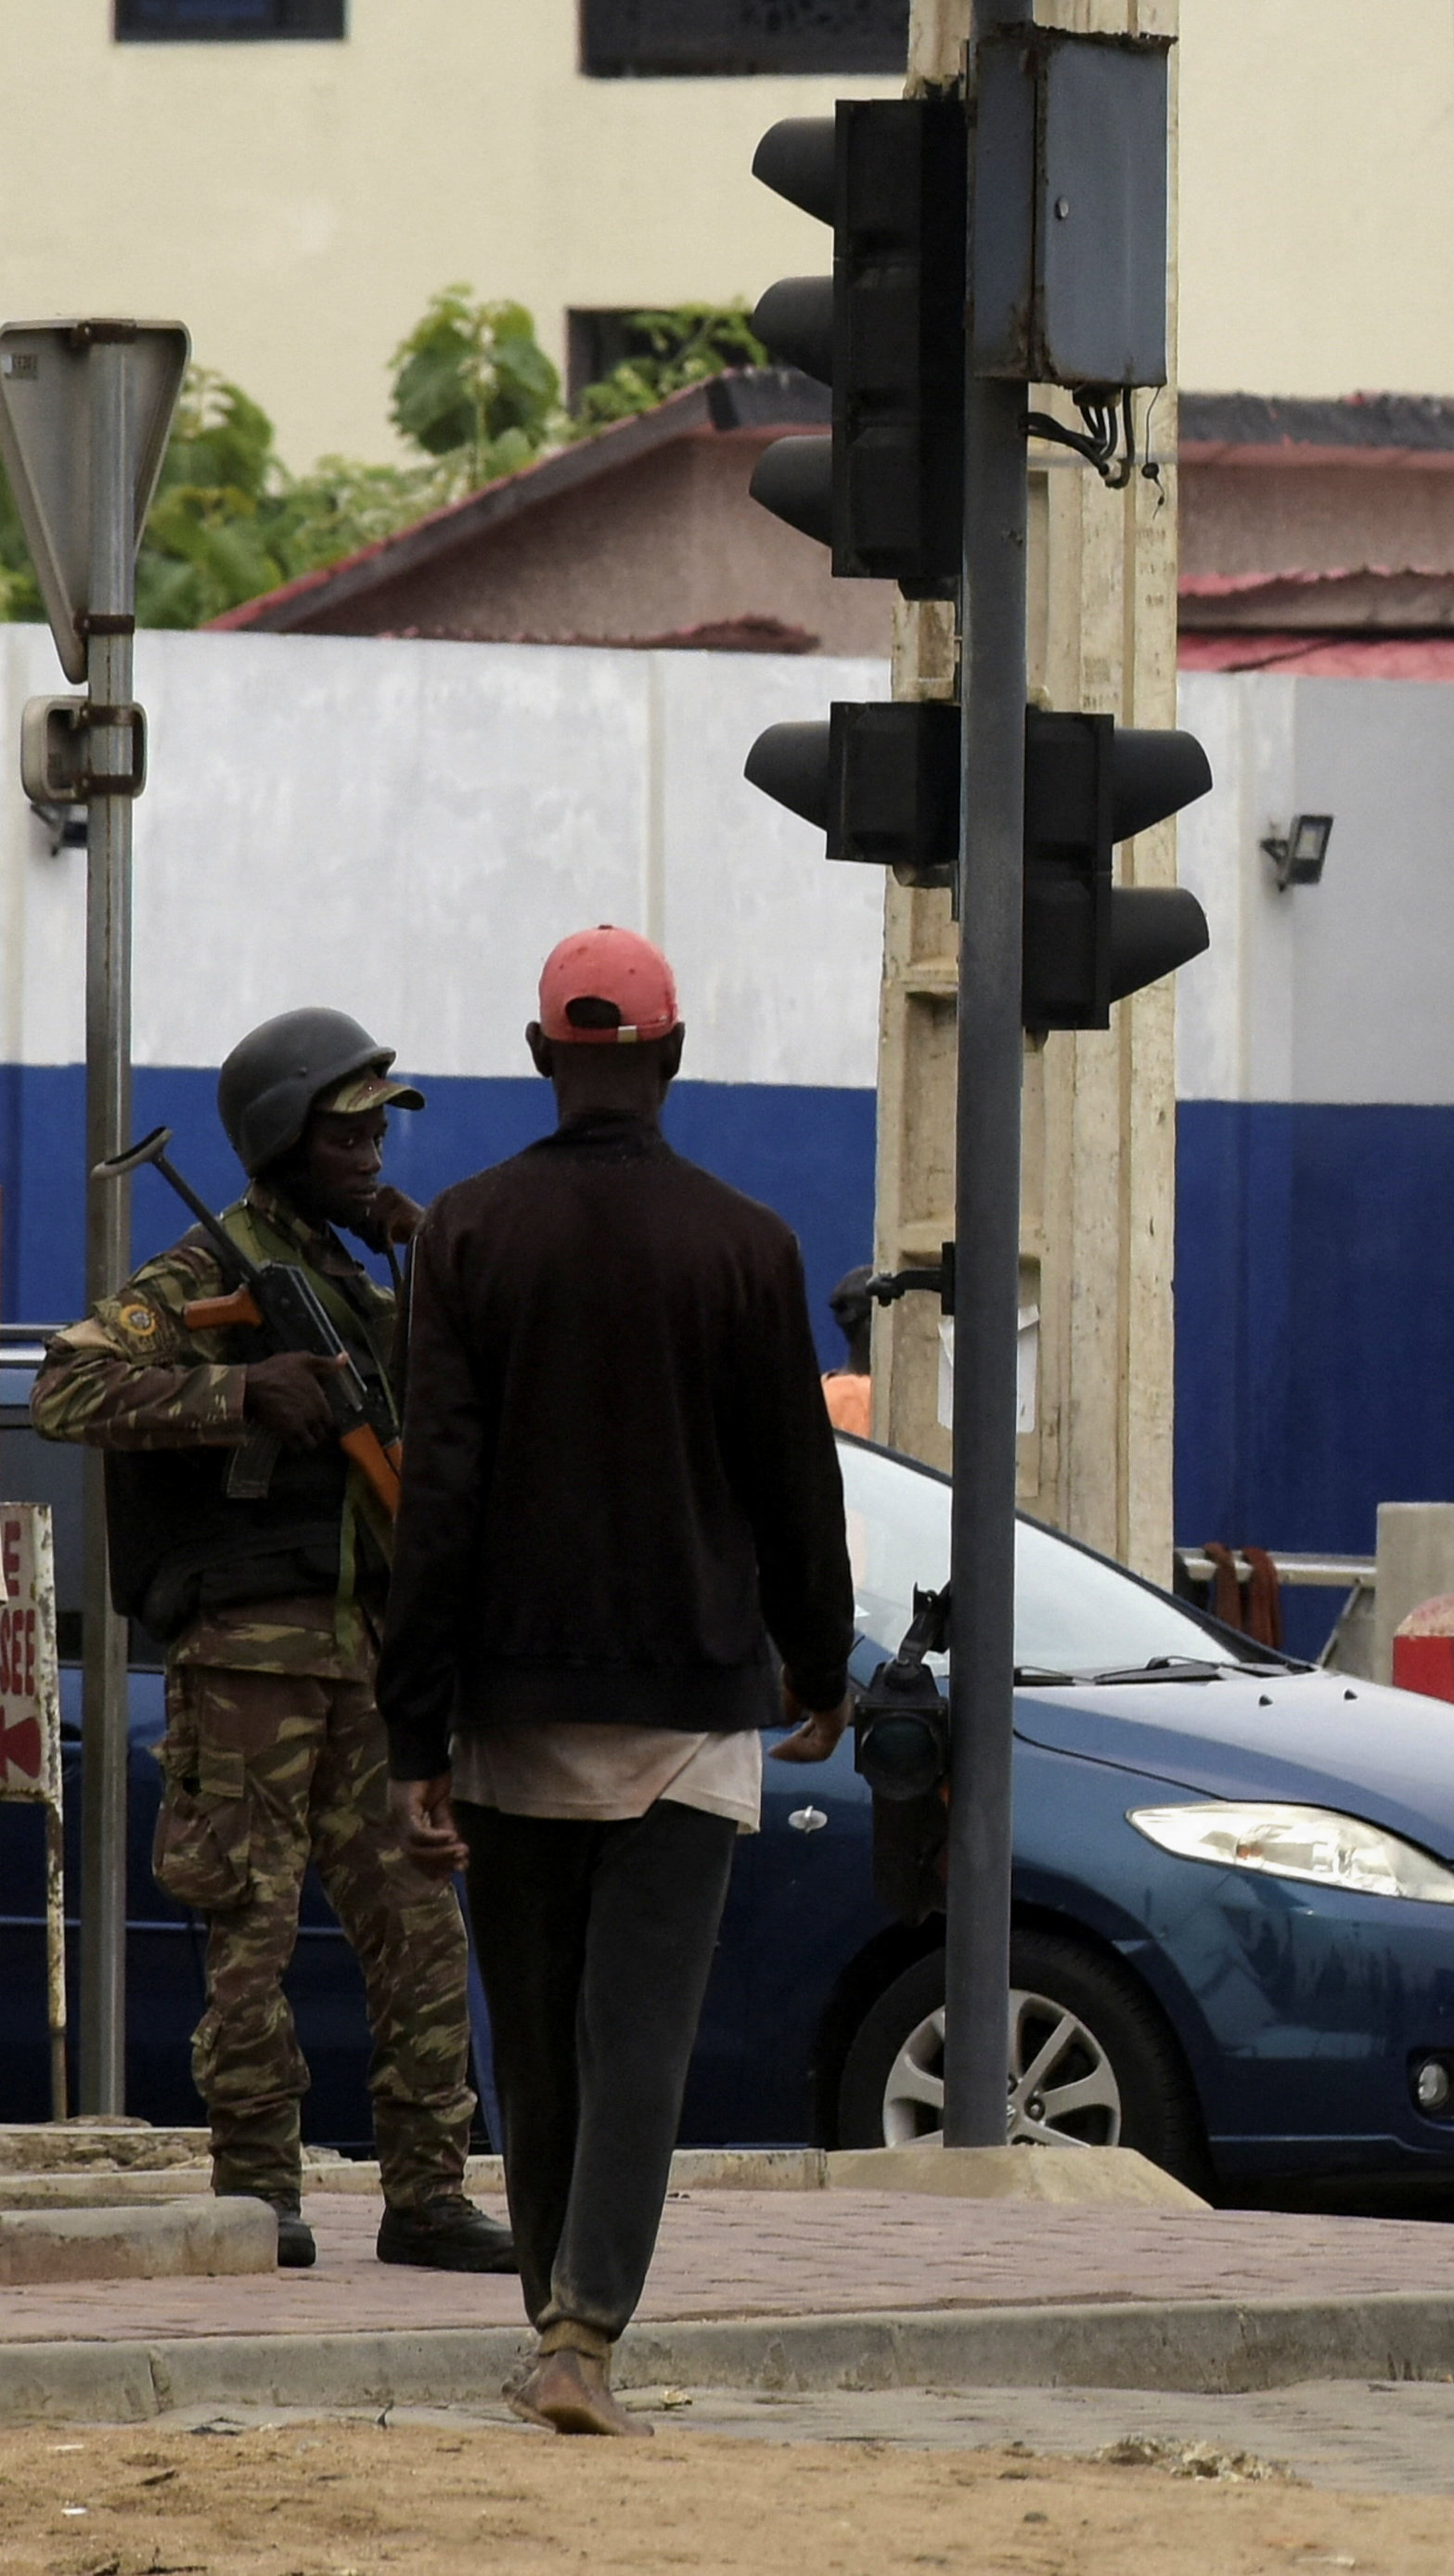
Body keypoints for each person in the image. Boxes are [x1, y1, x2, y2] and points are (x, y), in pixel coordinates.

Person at [376, 929, 854, 2438]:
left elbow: (436, 1492)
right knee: (637, 2033)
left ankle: (550, 2321)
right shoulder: (747, 1245)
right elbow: (798, 1482)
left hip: (514, 1701)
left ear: (541, 1058)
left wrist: (416, 1724)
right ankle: (585, 2329)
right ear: (672, 1054)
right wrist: (824, 1659)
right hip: (693, 1703)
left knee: (535, 2026)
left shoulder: (464, 1232)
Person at [27, 1008, 524, 2275]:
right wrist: (239, 1389)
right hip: (248, 1665)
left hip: (375, 1659)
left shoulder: (368, 1275)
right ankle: (260, 2192)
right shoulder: (208, 1267)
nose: (371, 1151)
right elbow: (67, 1384)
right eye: (345, 1131)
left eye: (379, 1129)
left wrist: (435, 1271)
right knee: (248, 1936)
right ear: (280, 1137)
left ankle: (426, 2193)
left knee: (421, 1931)